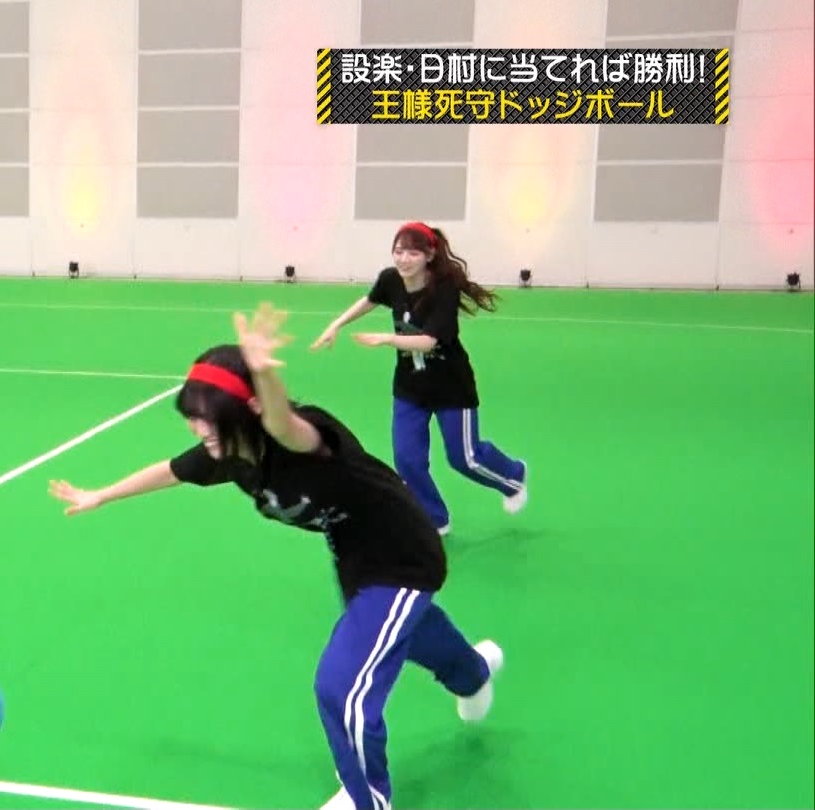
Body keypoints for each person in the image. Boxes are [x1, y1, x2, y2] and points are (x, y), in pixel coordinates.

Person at [49, 304, 503, 810]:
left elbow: (285, 424)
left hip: (402, 555)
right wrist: (101, 495)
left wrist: (265, 374)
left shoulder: (303, 437)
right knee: (408, 630)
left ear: (249, 409)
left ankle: (369, 799)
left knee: (340, 686)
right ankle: (473, 673)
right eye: (193, 418)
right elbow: (171, 471)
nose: (199, 430)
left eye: (209, 418)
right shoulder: (231, 453)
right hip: (355, 556)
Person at [311, 222, 527, 536]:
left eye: (413, 253)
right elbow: (370, 299)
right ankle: (434, 517)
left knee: (464, 458)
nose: (404, 259)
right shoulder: (390, 280)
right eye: (399, 251)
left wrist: (387, 339)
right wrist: (337, 324)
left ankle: (513, 476)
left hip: (451, 387)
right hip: (410, 388)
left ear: (429, 255)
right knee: (407, 459)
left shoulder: (443, 289)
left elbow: (428, 341)